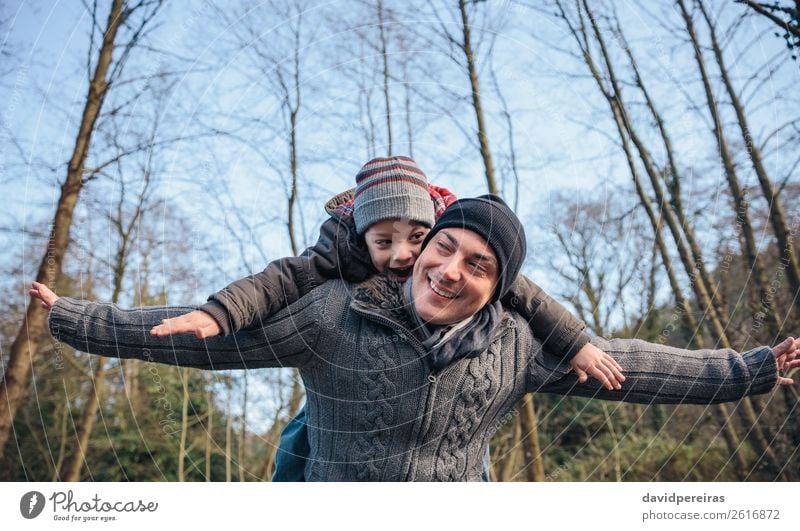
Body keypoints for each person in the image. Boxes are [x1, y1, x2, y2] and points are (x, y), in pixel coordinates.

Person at [34, 195, 797, 481]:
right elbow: (193, 336)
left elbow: (639, 368)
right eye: (444, 248)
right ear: (418, 249)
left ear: (499, 286)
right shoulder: (330, 312)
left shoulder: (515, 346)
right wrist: (73, 315)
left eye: (479, 264)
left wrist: (756, 367)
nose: (450, 270)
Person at [108, 156, 624, 480]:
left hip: (435, 404)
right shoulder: (338, 255)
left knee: (465, 443)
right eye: (384, 242)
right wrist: (219, 313)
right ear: (362, 236)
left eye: (415, 239)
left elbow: (528, 296)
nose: (402, 255)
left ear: (432, 224)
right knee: (303, 433)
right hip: (346, 378)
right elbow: (276, 283)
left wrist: (576, 341)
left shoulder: (452, 237)